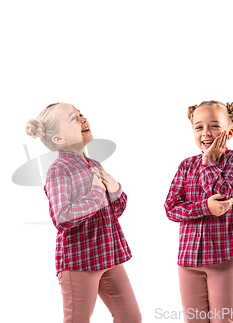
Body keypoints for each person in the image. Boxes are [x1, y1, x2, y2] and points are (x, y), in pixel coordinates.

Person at [25, 102, 141, 323]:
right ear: (58, 139)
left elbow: (114, 211)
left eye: (81, 114)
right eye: (73, 119)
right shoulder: (59, 171)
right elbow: (62, 217)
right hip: (79, 261)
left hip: (108, 255)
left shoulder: (94, 164)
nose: (83, 120)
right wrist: (97, 193)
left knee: (131, 318)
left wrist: (115, 189)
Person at [164, 100, 233, 323]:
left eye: (214, 126)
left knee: (223, 320)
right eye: (199, 127)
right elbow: (171, 208)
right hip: (188, 261)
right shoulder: (186, 165)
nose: (206, 133)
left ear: (229, 132)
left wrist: (208, 160)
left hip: (225, 257)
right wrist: (205, 207)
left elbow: (222, 194)